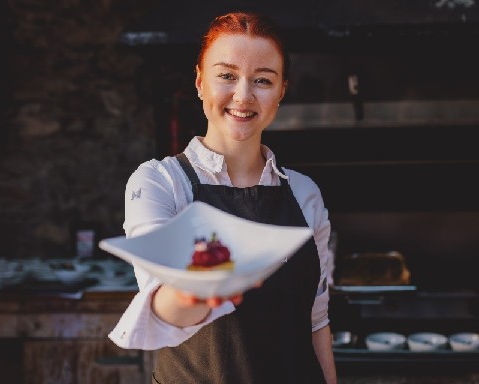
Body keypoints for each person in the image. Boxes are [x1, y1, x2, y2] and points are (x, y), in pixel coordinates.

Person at [109, 11, 337, 384]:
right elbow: (161, 304)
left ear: (281, 91)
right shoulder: (160, 182)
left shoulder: (304, 192)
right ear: (200, 82)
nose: (243, 96)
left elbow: (317, 322)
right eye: (226, 76)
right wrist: (192, 292)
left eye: (262, 80)